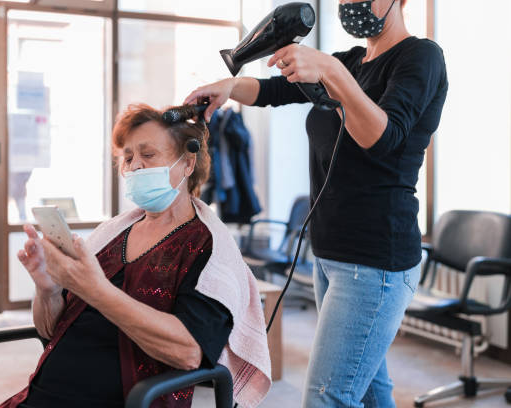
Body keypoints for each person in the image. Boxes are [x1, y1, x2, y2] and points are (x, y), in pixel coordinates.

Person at [184, 0, 448, 406]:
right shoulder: (351, 61)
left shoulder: (421, 57)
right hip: (330, 253)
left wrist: (331, 72)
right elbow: (274, 91)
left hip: (375, 261)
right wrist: (229, 86)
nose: (350, 4)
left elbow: (383, 137)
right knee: (372, 393)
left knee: (327, 397)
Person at [0, 104, 271, 408]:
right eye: (128, 158)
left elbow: (189, 351)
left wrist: (95, 290)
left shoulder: (208, 247)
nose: (136, 166)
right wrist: (47, 289)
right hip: (38, 395)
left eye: (148, 155)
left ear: (188, 163)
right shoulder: (111, 234)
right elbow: (50, 330)